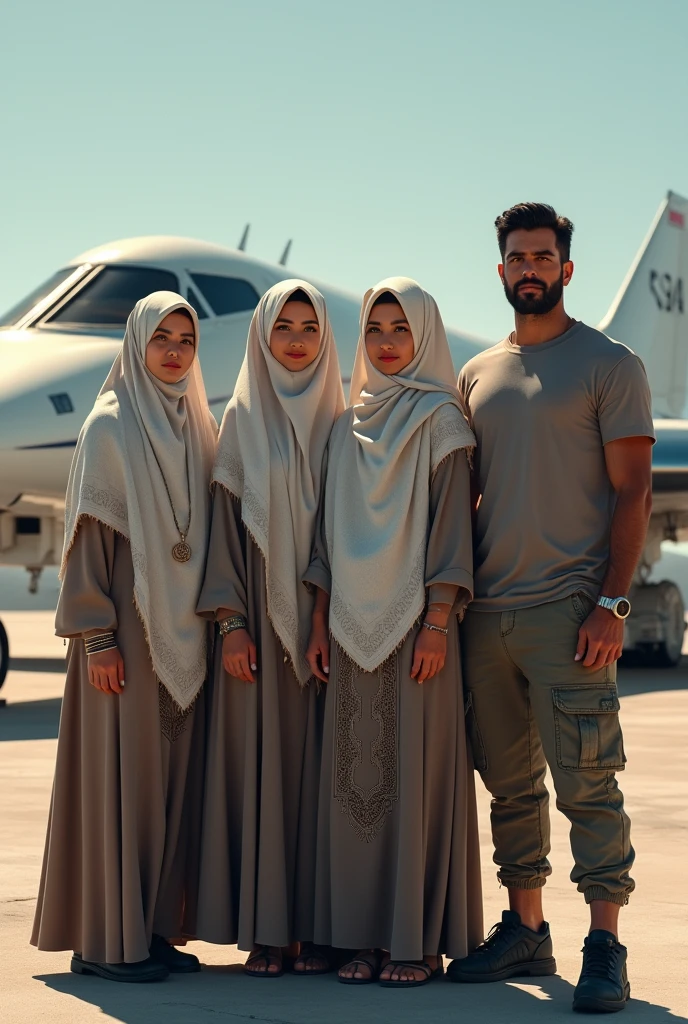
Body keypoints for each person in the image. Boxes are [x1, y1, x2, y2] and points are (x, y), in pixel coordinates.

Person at [450, 203, 654, 1014]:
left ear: (567, 269)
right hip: (486, 615)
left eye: (543, 256)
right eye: (516, 257)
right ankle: (527, 927)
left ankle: (605, 944)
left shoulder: (610, 365)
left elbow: (632, 489)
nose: (529, 268)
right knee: (508, 786)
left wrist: (612, 601)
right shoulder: (475, 374)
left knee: (589, 784)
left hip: (569, 613)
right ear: (499, 271)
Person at [31, 292, 218, 982]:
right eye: (160, 338)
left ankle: (152, 929)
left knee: (168, 789)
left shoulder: (197, 427)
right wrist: (97, 636)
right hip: (126, 633)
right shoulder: (110, 425)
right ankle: (106, 943)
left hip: (186, 636)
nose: (173, 351)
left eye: (185, 340)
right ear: (136, 344)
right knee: (122, 787)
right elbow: (87, 543)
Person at [306, 277, 483, 988]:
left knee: (415, 787)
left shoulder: (442, 422)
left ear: (425, 337)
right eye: (375, 328)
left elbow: (451, 531)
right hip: (349, 635)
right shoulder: (344, 428)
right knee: (353, 790)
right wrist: (319, 619)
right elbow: (323, 536)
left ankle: (414, 942)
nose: (385, 342)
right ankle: (361, 936)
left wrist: (439, 619)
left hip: (418, 629)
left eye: (400, 329)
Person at [195, 280, 345, 977]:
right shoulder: (240, 420)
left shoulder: (344, 421)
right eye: (281, 324)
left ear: (325, 338)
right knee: (265, 777)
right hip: (257, 620)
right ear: (261, 335)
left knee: (324, 780)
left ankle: (319, 928)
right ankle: (266, 927)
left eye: (308, 326)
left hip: (333, 624)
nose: (294, 337)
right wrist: (230, 624)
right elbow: (223, 534)